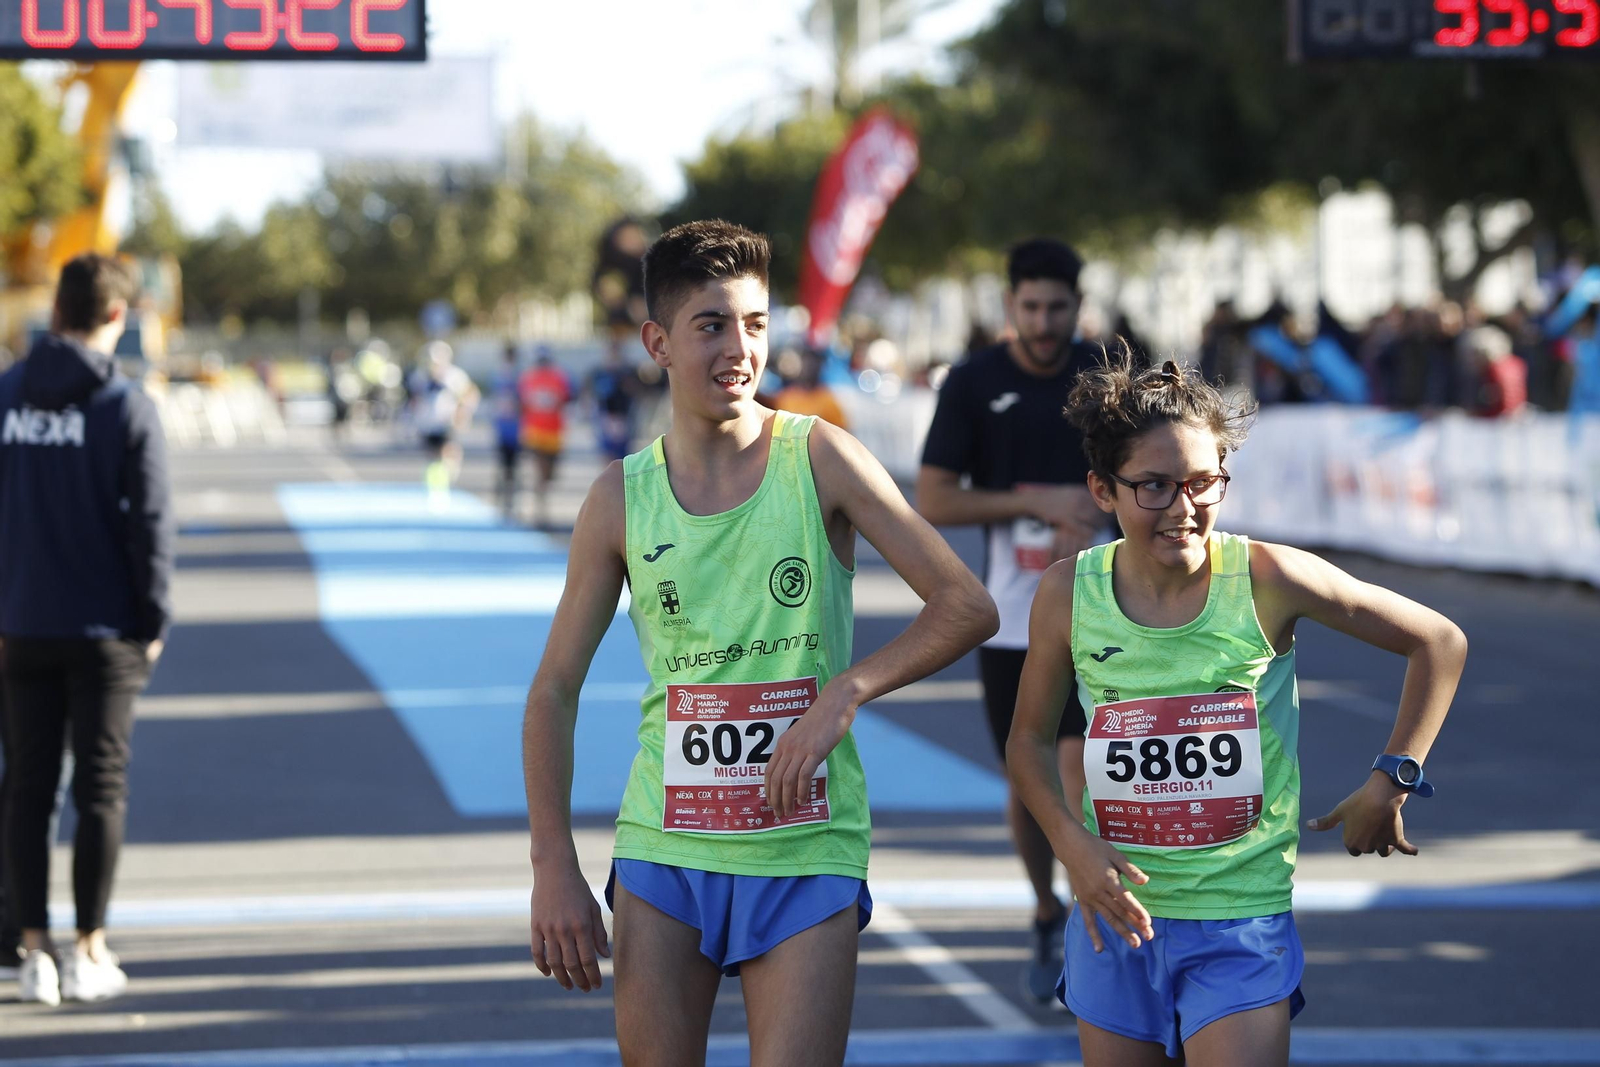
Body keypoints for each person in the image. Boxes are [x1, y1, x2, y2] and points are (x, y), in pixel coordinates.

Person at [522, 220, 998, 1067]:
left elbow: (966, 605)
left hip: (805, 846)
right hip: (666, 847)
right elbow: (554, 688)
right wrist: (552, 862)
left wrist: (847, 690)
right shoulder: (620, 499)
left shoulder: (821, 459)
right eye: (711, 325)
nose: (740, 348)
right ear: (658, 343)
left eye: (755, 323)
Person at [1008, 350, 1467, 1066]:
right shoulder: (1070, 592)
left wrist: (1393, 778)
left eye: (1202, 481)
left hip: (1239, 919)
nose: (1183, 507)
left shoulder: (1266, 577)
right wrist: (1071, 844)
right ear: (1103, 489)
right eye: (1154, 486)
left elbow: (1437, 641)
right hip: (1116, 913)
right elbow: (1029, 742)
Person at [915, 237, 1107, 1002]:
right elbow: (935, 497)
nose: (1044, 322)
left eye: (1058, 307)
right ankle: (1045, 907)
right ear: (1010, 305)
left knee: (1082, 767)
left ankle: (1095, 919)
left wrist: (1093, 512)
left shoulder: (1107, 373)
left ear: (1077, 306)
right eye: (1031, 307)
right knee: (1030, 779)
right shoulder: (975, 381)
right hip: (1015, 618)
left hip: (1109, 611)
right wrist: (1038, 501)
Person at [0, 254, 175, 1005]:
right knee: (100, 788)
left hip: (20, 623)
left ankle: (31, 951)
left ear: (56, 311)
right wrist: (154, 619)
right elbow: (153, 525)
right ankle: (88, 948)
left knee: (27, 786)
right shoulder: (125, 405)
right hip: (106, 630)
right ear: (117, 315)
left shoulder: (6, 393)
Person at [410, 341, 479, 504]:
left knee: (447, 453)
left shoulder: (455, 376)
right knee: (432, 457)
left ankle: (444, 482)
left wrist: (463, 413)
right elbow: (414, 399)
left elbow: (470, 394)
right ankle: (435, 487)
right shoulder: (420, 377)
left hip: (446, 422)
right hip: (428, 424)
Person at [518, 347, 574, 529]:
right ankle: (540, 510)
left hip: (554, 433)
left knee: (549, 474)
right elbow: (521, 404)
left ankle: (540, 502)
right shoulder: (528, 378)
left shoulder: (559, 378)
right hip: (535, 432)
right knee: (539, 471)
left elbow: (567, 399)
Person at [589, 339, 640, 462]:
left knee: (622, 452)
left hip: (623, 416)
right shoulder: (600, 372)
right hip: (606, 415)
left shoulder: (627, 371)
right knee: (608, 451)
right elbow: (593, 393)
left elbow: (635, 391)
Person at [772, 348, 849, 430]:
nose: (809, 368)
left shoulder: (826, 398)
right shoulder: (787, 396)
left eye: (813, 364)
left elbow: (840, 430)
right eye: (806, 363)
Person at [491, 343, 523, 517]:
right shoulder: (499, 377)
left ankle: (510, 503)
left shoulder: (520, 378)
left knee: (513, 468)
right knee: (504, 467)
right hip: (504, 428)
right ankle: (500, 502)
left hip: (515, 429)